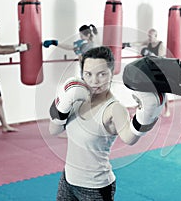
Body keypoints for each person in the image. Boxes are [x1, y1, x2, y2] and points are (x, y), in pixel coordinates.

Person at [48, 46, 165, 201]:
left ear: (112, 73)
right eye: (88, 74)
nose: (94, 81)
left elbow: (129, 138)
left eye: (102, 74)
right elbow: (53, 130)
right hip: (68, 180)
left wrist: (148, 114)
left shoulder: (114, 109)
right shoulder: (76, 97)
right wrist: (62, 103)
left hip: (95, 187)